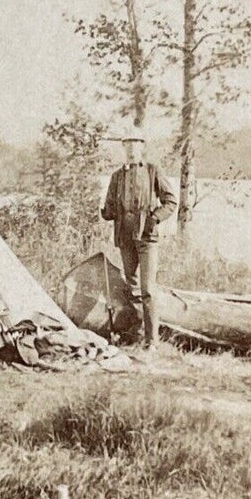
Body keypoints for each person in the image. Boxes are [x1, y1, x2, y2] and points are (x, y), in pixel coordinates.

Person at [100, 127, 178, 350]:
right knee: (132, 289)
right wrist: (106, 212)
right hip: (125, 238)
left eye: (136, 143)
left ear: (142, 147)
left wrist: (154, 218)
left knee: (148, 290)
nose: (132, 148)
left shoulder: (153, 171)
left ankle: (152, 342)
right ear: (123, 147)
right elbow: (110, 207)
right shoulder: (117, 176)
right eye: (128, 143)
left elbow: (171, 201)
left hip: (147, 238)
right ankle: (137, 337)